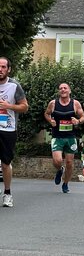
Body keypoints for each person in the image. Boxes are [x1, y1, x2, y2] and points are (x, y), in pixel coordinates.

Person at [44, 83, 84, 193]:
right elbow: (47, 114)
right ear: (59, 91)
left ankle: (66, 183)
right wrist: (50, 120)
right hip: (57, 136)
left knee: (69, 163)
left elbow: (83, 117)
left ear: (69, 91)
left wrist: (78, 121)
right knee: (57, 160)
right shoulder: (53, 103)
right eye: (60, 88)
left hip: (70, 137)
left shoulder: (75, 104)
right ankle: (59, 170)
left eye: (65, 88)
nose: (63, 90)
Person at [0, 57, 29, 207]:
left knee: (5, 164)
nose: (0, 69)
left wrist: (9, 106)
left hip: (8, 128)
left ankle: (7, 193)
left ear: (8, 69)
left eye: (3, 67)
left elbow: (24, 107)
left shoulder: (14, 86)